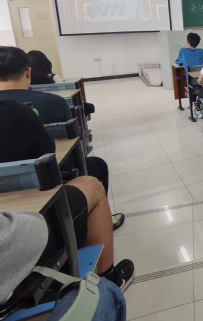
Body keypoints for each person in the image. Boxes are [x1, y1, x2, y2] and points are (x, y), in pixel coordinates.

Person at [0, 100, 135, 292]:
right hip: (27, 231)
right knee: (91, 182)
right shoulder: (19, 111)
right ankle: (108, 278)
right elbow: (48, 155)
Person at [0, 47, 121, 229]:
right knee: (96, 166)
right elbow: (50, 153)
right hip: (43, 197)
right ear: (27, 72)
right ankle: (96, 224)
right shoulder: (51, 102)